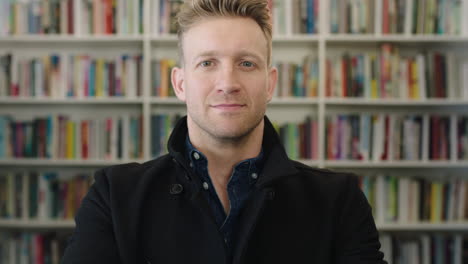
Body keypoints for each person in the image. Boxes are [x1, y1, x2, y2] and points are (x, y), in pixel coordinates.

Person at [61, 0, 387, 263]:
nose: (228, 83)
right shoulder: (114, 196)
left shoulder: (339, 200)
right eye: (207, 63)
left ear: (270, 83)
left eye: (246, 63)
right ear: (180, 83)